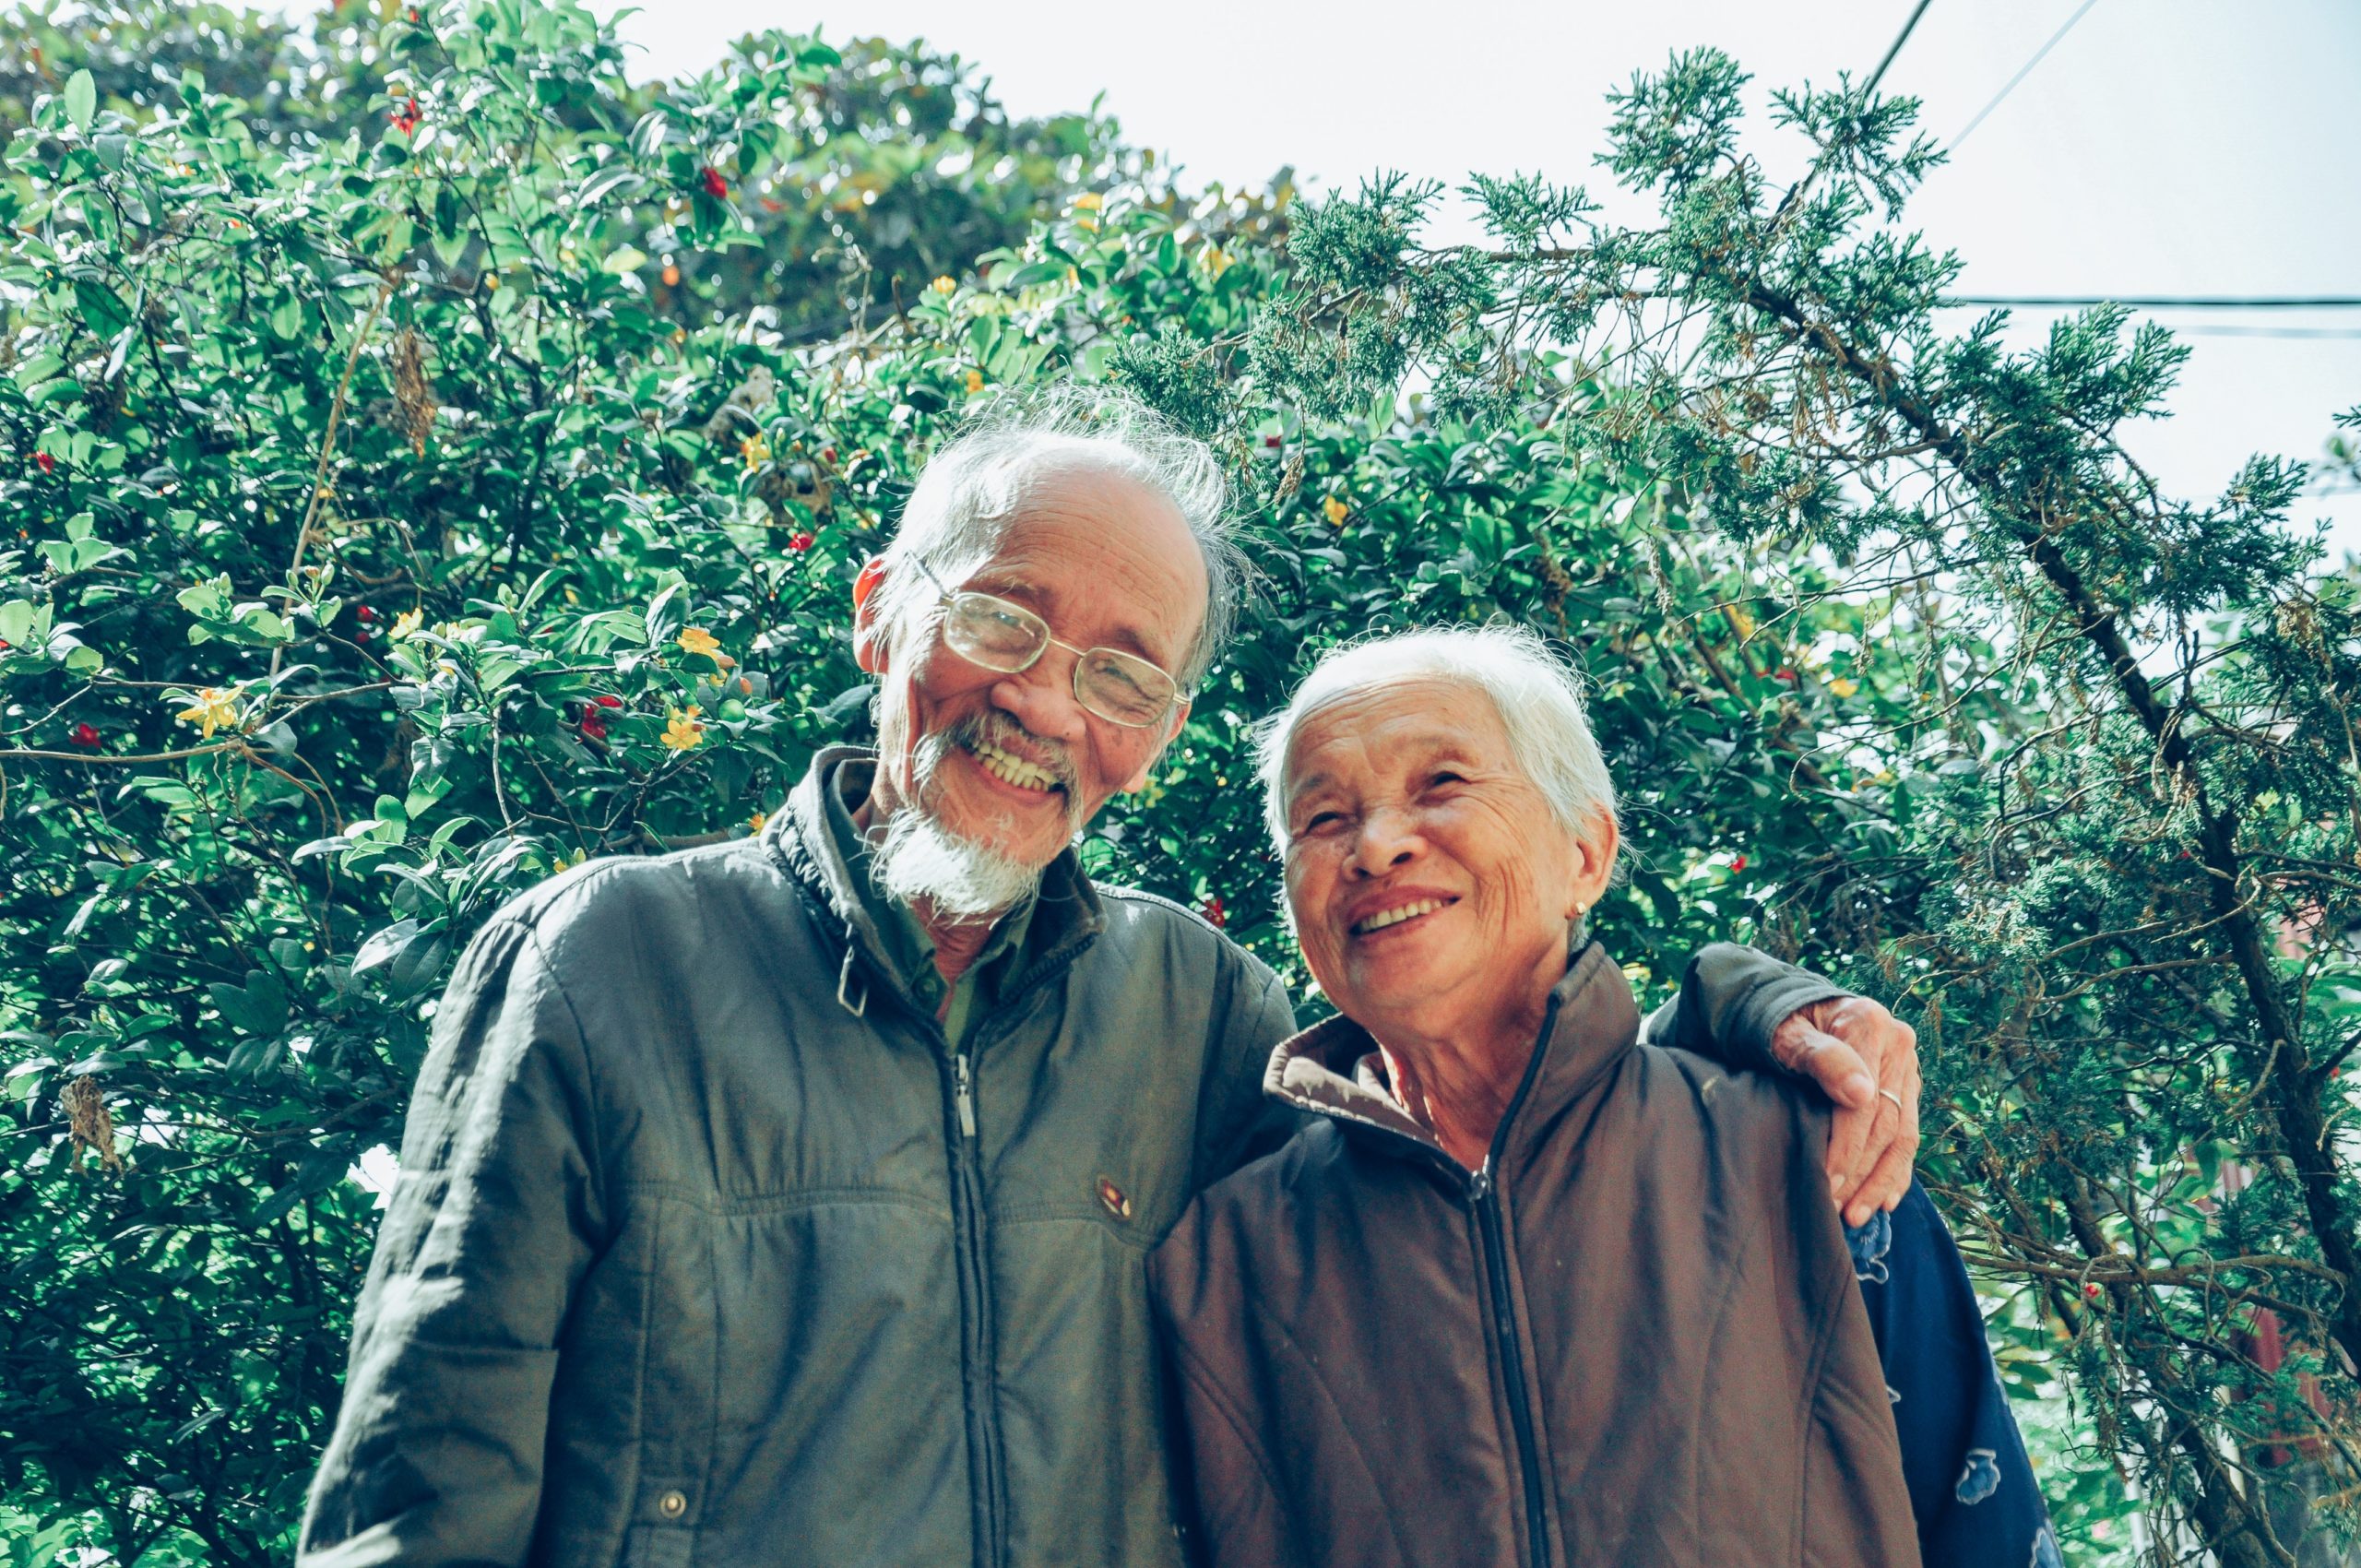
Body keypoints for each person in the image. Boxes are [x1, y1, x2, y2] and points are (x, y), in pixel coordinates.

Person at [298, 390, 1928, 1568]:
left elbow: (1499, 1160)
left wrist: (1747, 1007)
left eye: (1122, 671)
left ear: (1155, 734)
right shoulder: (606, 963)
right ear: (884, 616)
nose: (1044, 705)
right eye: (1001, 618)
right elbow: (417, 1498)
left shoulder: (1200, 1011)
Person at [1149, 625, 2055, 1568]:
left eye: (1442, 784)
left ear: (1584, 853)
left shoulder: (1804, 1150)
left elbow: (1982, 1520)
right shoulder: (1224, 1258)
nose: (1375, 846)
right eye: (1324, 818)